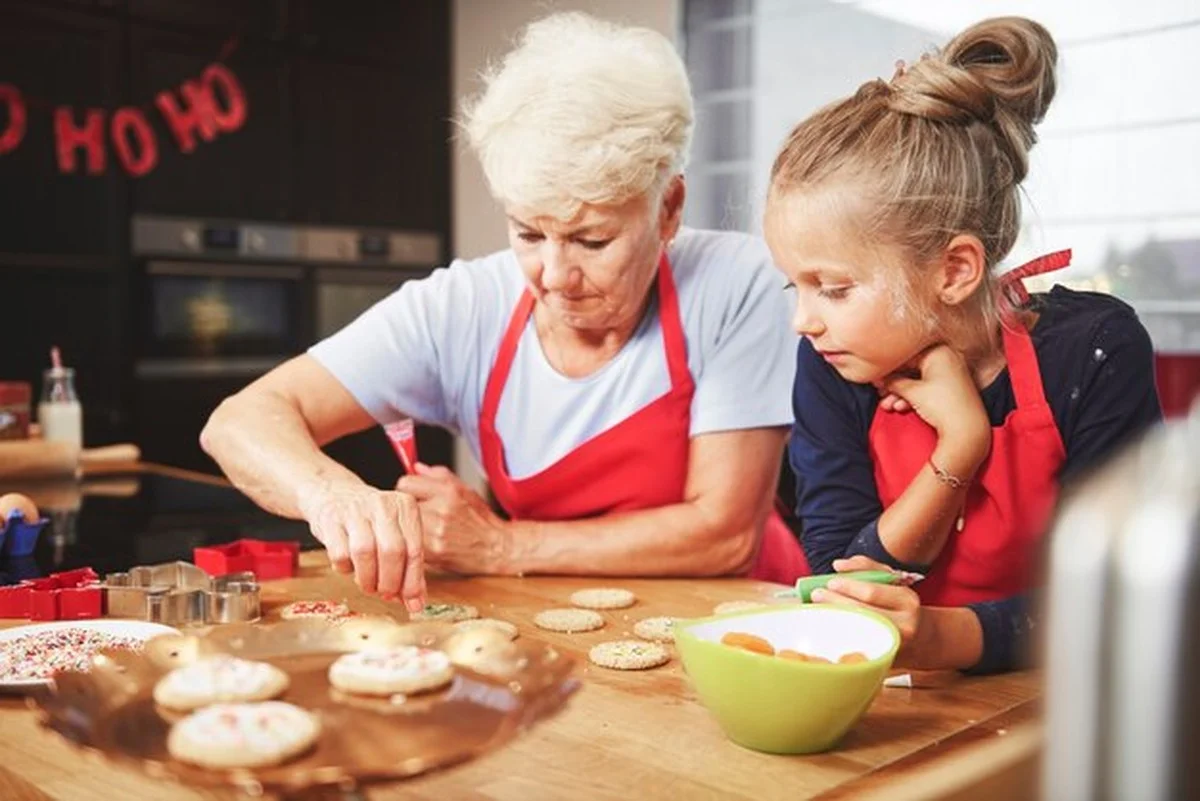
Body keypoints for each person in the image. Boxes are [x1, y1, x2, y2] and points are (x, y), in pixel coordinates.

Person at [199, 12, 799, 612]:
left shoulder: (736, 281)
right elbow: (239, 421)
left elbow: (725, 536)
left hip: (739, 620)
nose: (556, 276)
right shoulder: (463, 309)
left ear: (668, 209)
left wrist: (499, 546)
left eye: (592, 241)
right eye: (528, 233)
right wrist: (335, 496)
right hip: (560, 620)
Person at [763, 17, 1162, 672]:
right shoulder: (831, 362)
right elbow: (838, 571)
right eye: (794, 288)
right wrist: (960, 446)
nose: (803, 321)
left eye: (832, 288)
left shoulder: (1093, 354)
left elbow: (1113, 599)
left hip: (1056, 701)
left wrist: (940, 638)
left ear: (954, 270)